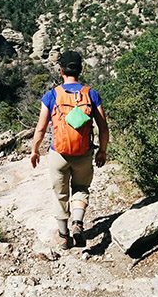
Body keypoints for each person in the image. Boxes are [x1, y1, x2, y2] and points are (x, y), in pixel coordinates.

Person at [30, 50, 109, 249]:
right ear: (80, 70)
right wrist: (102, 151)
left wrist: (35, 150)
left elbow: (40, 127)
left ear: (60, 71)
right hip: (83, 153)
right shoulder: (91, 93)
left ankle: (64, 236)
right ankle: (78, 224)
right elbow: (103, 127)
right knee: (81, 188)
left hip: (59, 153)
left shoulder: (52, 95)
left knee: (60, 194)